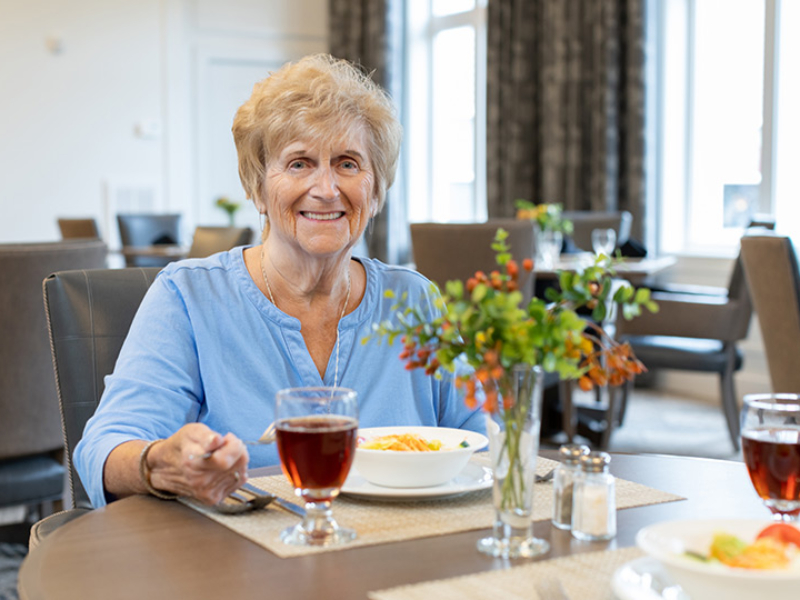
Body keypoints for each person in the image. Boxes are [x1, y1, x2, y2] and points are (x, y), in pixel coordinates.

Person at [74, 54, 483, 509]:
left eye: (348, 164)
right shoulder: (188, 297)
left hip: (403, 545)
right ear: (258, 188)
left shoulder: (414, 299)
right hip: (243, 548)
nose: (326, 189)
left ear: (376, 190)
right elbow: (104, 449)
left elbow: (483, 438)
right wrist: (162, 464)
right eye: (299, 164)